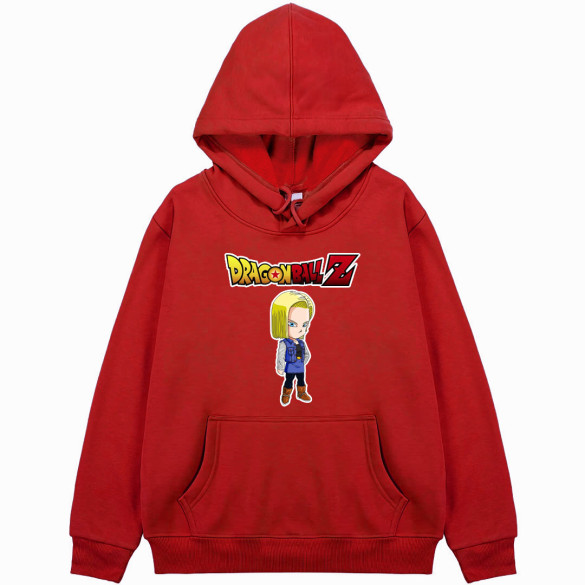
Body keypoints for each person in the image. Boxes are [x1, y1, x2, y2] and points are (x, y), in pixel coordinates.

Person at [270, 290, 315, 406]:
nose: (300, 329)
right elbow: (280, 356)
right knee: (289, 381)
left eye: (304, 324)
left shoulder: (302, 342)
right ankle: (286, 395)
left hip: (300, 367)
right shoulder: (284, 343)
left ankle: (301, 393)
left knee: (301, 380)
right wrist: (280, 367)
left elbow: (307, 354)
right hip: (290, 367)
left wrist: (302, 362)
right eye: (292, 324)